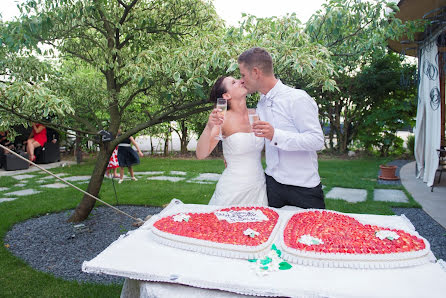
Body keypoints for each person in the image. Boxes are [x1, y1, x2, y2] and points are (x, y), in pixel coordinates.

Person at [238, 47, 325, 209]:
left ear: (256, 72)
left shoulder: (297, 98)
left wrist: (275, 135)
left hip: (303, 188)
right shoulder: (261, 103)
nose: (241, 80)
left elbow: (317, 140)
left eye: (243, 75)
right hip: (272, 184)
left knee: (311, 234)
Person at [196, 76, 268, 206]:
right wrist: (209, 127)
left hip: (258, 187)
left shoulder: (257, 114)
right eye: (233, 82)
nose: (241, 80)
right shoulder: (222, 119)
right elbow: (201, 154)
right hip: (233, 190)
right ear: (227, 95)